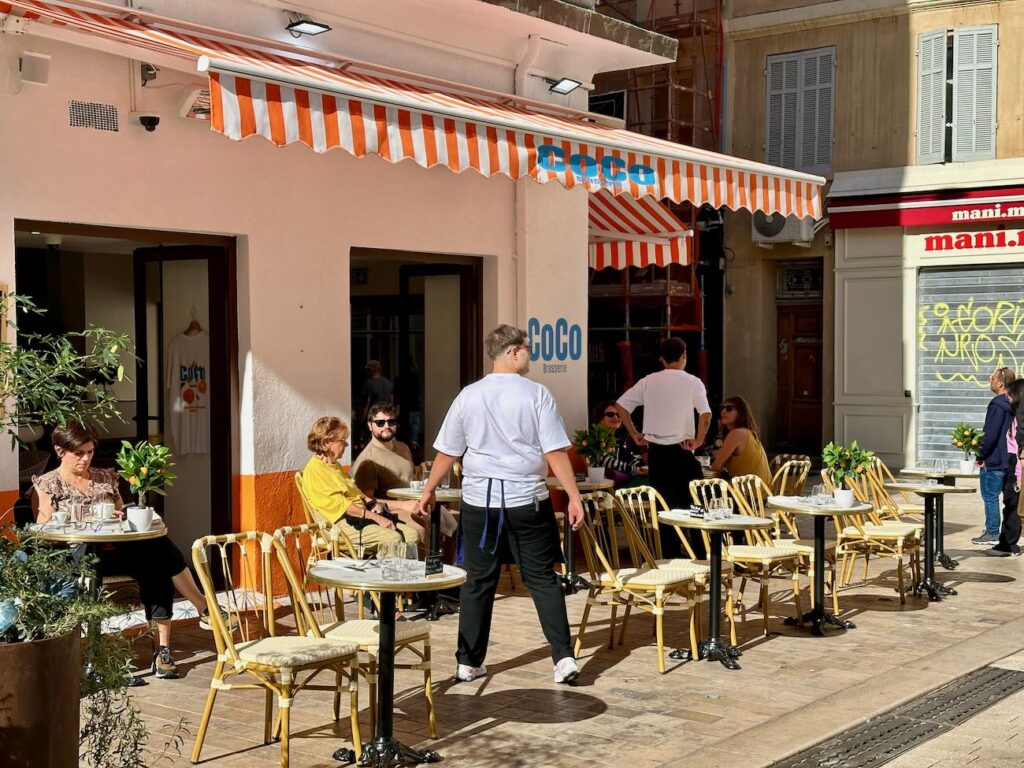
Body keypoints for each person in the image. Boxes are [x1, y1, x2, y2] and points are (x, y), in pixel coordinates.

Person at [416, 324, 583, 685]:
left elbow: (448, 450)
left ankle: (468, 662)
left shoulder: (468, 395)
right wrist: (573, 495)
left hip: (481, 501)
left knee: (478, 582)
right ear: (512, 352)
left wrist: (429, 489)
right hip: (527, 499)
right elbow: (554, 450)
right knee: (542, 579)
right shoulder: (536, 394)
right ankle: (563, 657)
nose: (529, 354)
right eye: (526, 348)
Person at [32, 423, 218, 680]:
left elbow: (123, 513)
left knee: (156, 552)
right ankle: (203, 607)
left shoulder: (105, 477)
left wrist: (120, 514)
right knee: (153, 559)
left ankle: (163, 650)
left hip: (114, 550)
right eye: (79, 453)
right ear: (60, 451)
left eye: (90, 452)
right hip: (77, 553)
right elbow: (44, 526)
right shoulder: (48, 483)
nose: (86, 458)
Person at [615, 337, 711, 557]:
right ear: (684, 355)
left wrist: (635, 434)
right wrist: (699, 439)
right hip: (682, 450)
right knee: (694, 504)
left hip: (657, 453)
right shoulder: (693, 382)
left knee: (664, 506)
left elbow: (621, 406)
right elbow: (705, 414)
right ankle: (700, 553)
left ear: (662, 359)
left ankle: (670, 555)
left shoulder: (649, 381)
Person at [300, 416, 421, 551]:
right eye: (342, 441)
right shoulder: (316, 470)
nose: (346, 445)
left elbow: (356, 493)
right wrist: (376, 518)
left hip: (361, 516)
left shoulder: (335, 466)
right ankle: (387, 570)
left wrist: (373, 503)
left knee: (412, 535)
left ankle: (400, 570)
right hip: (340, 525)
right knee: (393, 538)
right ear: (327, 442)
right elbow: (343, 507)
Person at [352, 403, 454, 541]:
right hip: (390, 511)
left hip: (416, 504)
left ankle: (447, 562)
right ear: (370, 425)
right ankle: (425, 562)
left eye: (391, 421)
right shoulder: (368, 460)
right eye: (380, 422)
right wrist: (404, 505)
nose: (386, 426)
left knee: (454, 523)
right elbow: (365, 501)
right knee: (421, 529)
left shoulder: (403, 448)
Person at [973, 367, 1015, 545]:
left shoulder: (997, 405)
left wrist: (980, 454)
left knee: (990, 496)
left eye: (991, 379)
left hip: (995, 459)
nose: (990, 382)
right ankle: (1005, 532)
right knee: (1006, 498)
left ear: (999, 383)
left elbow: (990, 434)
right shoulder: (1013, 403)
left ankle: (991, 532)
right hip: (1009, 459)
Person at [990, 378, 1024, 557]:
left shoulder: (1020, 418)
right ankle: (1006, 541)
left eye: (1010, 395)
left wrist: (1018, 473)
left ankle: (1010, 544)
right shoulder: (1014, 413)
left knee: (1013, 503)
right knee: (1010, 502)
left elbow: (1020, 448)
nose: (1007, 398)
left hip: (1016, 465)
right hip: (1012, 461)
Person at [710, 396, 771, 485]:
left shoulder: (737, 434)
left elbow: (716, 466)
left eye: (729, 408)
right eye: (722, 408)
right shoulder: (748, 433)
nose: (723, 411)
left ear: (740, 414)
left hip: (749, 494)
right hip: (762, 490)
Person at [590, 400, 643, 487]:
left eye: (619, 415)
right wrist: (636, 470)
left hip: (623, 482)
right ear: (601, 419)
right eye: (611, 414)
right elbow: (606, 461)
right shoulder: (594, 440)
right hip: (606, 486)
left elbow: (631, 460)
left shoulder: (618, 442)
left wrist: (643, 468)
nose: (616, 417)